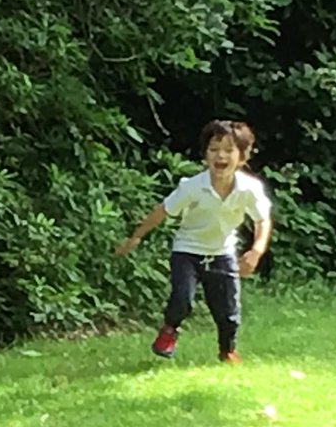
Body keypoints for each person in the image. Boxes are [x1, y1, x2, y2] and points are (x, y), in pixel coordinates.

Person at [115, 119, 272, 362]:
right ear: (204, 155)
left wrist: (256, 251)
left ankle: (227, 351)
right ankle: (169, 331)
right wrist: (136, 237)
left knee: (228, 313)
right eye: (213, 149)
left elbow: (262, 221)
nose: (220, 156)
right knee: (182, 299)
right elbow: (163, 210)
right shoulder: (192, 186)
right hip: (187, 250)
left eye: (229, 150)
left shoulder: (249, 189)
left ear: (242, 157)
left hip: (223, 252)